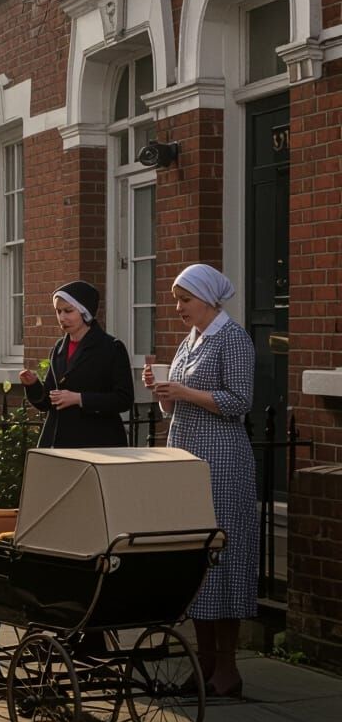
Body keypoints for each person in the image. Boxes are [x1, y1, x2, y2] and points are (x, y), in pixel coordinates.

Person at [143, 264, 257, 698]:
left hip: (223, 462)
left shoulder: (233, 338)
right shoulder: (192, 341)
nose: (178, 308)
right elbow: (178, 406)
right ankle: (204, 662)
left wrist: (183, 392)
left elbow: (240, 401)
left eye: (184, 300)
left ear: (208, 299)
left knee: (222, 555)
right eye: (177, 300)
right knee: (196, 559)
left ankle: (227, 668)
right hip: (189, 458)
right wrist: (162, 392)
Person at [19, 280, 135, 448]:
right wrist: (33, 385)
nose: (62, 317)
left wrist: (80, 399)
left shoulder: (111, 348)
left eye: (68, 311)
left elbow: (124, 399)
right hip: (59, 443)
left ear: (84, 312)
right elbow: (48, 402)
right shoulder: (59, 348)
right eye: (58, 311)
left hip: (97, 442)